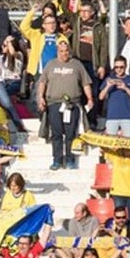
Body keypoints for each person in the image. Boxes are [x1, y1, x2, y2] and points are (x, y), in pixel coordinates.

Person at [37, 39, 93, 170]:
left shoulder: (77, 65)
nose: (64, 54)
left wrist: (90, 98)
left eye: (66, 50)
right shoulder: (50, 65)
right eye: (61, 51)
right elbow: (42, 83)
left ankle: (70, 160)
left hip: (72, 104)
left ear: (70, 51)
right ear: (57, 51)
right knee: (56, 133)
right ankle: (57, 160)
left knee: (70, 133)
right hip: (54, 103)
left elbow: (85, 83)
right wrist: (40, 98)